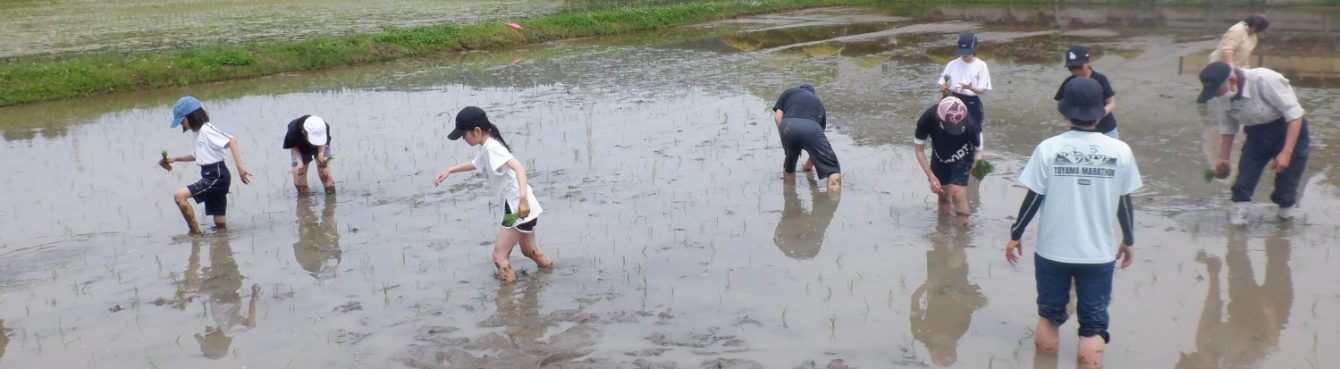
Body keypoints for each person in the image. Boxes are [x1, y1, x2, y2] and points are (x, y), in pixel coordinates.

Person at [1005, 78, 1142, 369]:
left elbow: (1033, 198)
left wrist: (1016, 234)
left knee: (1048, 316)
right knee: (1093, 326)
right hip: (1097, 255)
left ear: (1065, 112)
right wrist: (1128, 240)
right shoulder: (1120, 151)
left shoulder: (1048, 148)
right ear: (1101, 111)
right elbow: (1124, 202)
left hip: (1052, 252)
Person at [433, 106, 554, 282]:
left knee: (499, 257)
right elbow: (476, 163)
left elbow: (519, 168)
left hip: (516, 210)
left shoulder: (492, 148)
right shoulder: (486, 147)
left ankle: (507, 304)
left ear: (476, 131)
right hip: (523, 207)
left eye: (463, 135)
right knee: (529, 250)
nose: (463, 139)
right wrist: (450, 170)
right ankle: (550, 276)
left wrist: (522, 200)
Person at [1197, 61, 1310, 225]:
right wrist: (1223, 159)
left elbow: (1295, 116)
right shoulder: (1223, 95)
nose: (1217, 95)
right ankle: (1237, 226)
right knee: (1243, 181)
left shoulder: (1265, 80)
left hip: (1288, 129)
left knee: (1285, 188)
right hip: (1257, 134)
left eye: (1217, 91)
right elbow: (1228, 127)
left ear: (1232, 80)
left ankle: (1285, 220)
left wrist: (1286, 152)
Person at [159, 96, 252, 235]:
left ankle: (195, 234)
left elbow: (232, 140)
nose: (181, 125)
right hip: (211, 173)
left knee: (179, 196)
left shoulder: (206, 129)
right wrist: (175, 159)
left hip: (216, 175)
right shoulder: (196, 133)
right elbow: (197, 155)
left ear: (192, 116)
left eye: (182, 121)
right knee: (219, 221)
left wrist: (240, 167)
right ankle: (222, 242)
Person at [914, 96, 982, 227]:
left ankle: (963, 235)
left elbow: (978, 150)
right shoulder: (927, 118)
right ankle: (942, 231)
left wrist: (978, 166)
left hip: (962, 154)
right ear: (940, 119)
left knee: (958, 194)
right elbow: (919, 150)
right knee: (943, 193)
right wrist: (931, 176)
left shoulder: (970, 123)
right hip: (941, 155)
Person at [773, 83, 842, 191]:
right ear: (813, 94)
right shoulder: (819, 102)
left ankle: (790, 200)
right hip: (812, 127)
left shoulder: (789, 92)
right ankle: (831, 201)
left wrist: (784, 134)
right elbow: (815, 145)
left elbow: (778, 117)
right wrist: (809, 166)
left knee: (789, 167)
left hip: (788, 126)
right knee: (833, 171)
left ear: (799, 89)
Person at [1055, 45, 1119, 139]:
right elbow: (1062, 102)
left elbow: (1111, 103)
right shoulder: (1069, 83)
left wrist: (1097, 116)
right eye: (1072, 68)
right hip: (1080, 131)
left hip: (1106, 129)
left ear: (1088, 62)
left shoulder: (1100, 79)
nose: (1076, 71)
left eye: (1079, 67)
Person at [938, 31, 992, 131]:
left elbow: (981, 90)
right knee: (950, 129)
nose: (964, 55)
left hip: (971, 102)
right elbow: (942, 83)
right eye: (962, 52)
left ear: (975, 47)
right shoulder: (952, 64)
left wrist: (969, 87)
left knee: (975, 131)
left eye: (967, 52)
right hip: (953, 99)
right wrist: (943, 88)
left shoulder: (981, 66)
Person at [282, 115, 334, 194]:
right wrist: (299, 162)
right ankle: (306, 203)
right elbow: (293, 146)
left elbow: (324, 142)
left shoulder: (324, 126)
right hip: (300, 148)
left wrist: (320, 155)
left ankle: (330, 202)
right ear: (303, 132)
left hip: (321, 146)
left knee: (325, 175)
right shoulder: (293, 130)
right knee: (299, 183)